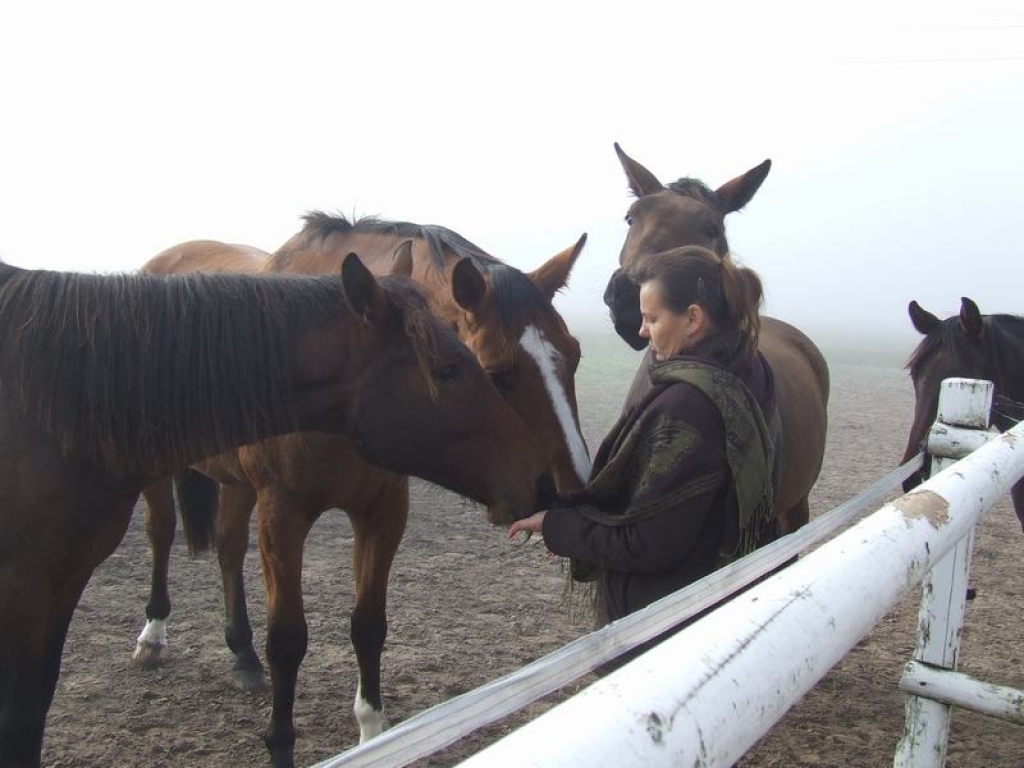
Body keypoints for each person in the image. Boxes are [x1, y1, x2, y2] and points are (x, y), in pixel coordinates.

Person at [508, 245, 778, 649]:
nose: (641, 331)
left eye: (651, 318)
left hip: (666, 631)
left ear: (692, 319)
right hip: (718, 607)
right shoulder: (750, 370)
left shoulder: (686, 408)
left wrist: (558, 527)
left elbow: (649, 544)